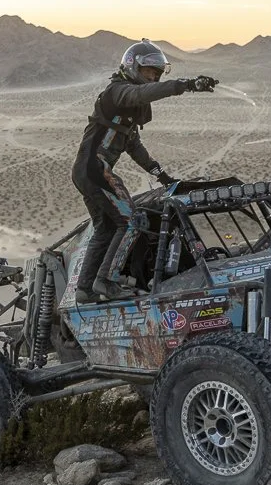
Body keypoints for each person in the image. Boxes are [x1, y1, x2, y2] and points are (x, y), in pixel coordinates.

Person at [72, 39, 217, 302]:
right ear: (133, 67)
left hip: (87, 171)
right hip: (95, 169)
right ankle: (106, 281)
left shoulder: (125, 113)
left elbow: (134, 146)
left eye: (155, 74)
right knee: (132, 220)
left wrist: (161, 175)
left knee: (106, 229)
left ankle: (85, 290)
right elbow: (141, 94)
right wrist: (186, 85)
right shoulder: (117, 92)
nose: (152, 78)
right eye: (148, 72)